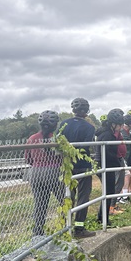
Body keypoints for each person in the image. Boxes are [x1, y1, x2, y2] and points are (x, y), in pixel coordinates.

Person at [58, 97, 95, 238]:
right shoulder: (89, 127)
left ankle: (63, 227)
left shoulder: (64, 124)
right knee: (83, 196)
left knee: (67, 196)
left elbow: (59, 144)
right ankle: (79, 228)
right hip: (83, 166)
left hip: (67, 166)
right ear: (86, 111)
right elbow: (86, 147)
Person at [25, 111, 65, 237]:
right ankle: (66, 226)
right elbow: (62, 158)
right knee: (65, 199)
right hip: (53, 172)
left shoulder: (32, 139)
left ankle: (38, 232)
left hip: (35, 173)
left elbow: (28, 160)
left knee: (40, 204)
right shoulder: (57, 138)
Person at [95, 109, 124, 224]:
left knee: (108, 192)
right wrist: (116, 162)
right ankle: (103, 219)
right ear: (113, 124)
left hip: (104, 164)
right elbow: (108, 152)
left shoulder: (105, 133)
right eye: (119, 125)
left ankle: (101, 217)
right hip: (105, 165)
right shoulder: (108, 135)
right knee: (108, 192)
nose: (120, 127)